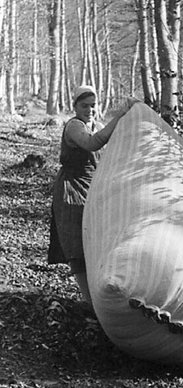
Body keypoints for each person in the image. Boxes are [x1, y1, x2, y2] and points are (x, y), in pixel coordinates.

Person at [48, 85, 135, 303]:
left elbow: (111, 138)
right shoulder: (75, 126)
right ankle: (90, 302)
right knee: (76, 241)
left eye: (93, 106)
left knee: (98, 237)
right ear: (75, 106)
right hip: (72, 188)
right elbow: (93, 143)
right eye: (84, 106)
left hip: (93, 187)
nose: (89, 110)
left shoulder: (95, 124)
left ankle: (103, 295)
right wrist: (120, 116)